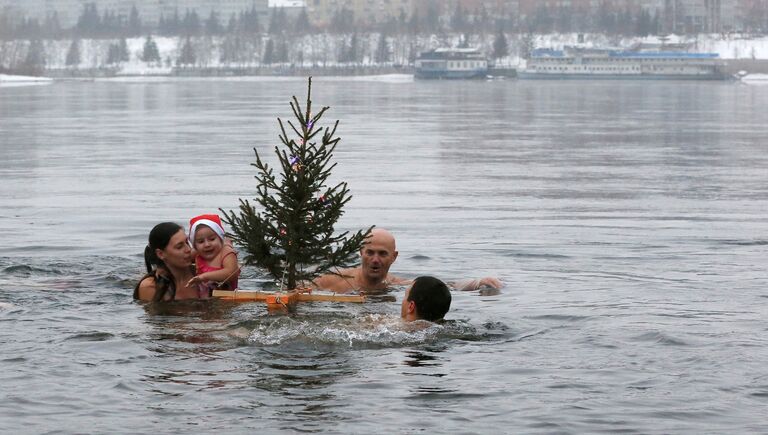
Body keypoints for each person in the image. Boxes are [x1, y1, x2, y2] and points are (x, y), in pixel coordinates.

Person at [311, 228, 502, 293]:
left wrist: (477, 283)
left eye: (382, 254)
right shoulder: (333, 279)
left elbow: (442, 286)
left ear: (394, 257)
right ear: (361, 252)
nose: (375, 260)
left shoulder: (397, 285)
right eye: (370, 252)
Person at [134, 222, 202, 301]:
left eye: (187, 242)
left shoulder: (202, 275)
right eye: (179, 247)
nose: (188, 249)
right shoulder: (150, 287)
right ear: (160, 254)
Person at [186, 214, 240, 294]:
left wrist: (204, 277)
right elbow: (181, 259)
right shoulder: (197, 253)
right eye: (201, 241)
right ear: (195, 246)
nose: (207, 244)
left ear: (220, 239)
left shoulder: (226, 252)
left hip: (227, 298)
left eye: (212, 239)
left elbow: (232, 273)